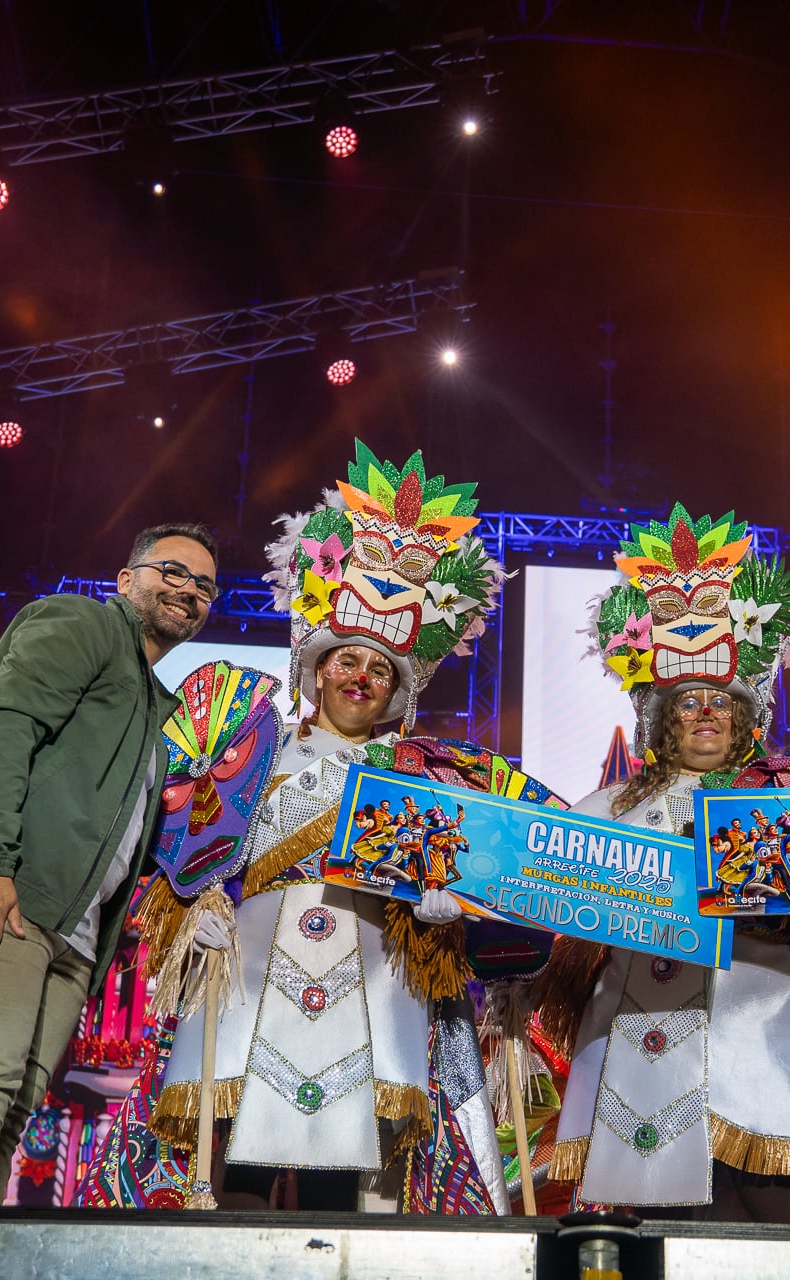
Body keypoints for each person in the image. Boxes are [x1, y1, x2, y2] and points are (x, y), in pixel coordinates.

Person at [90, 443, 513, 1214]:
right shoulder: (252, 747)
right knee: (238, 1150)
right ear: (316, 670)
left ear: (397, 692)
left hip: (374, 974)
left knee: (346, 1162)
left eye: (381, 670)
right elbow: (187, 853)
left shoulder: (430, 777)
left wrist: (441, 916)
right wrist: (197, 911)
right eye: (347, 659)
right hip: (252, 967)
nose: (360, 677)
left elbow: (480, 892)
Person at [534, 503, 790, 1225]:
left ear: (746, 719)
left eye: (721, 703)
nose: (706, 714)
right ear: (659, 718)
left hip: (767, 1038)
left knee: (783, 1238)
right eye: (687, 703)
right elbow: (541, 907)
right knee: (659, 1244)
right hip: (641, 1035)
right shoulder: (602, 808)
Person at [0, 522, 215, 1204]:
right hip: (1, 888)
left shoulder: (148, 703)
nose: (187, 589)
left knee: (15, 1105)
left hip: (70, 925)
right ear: (124, 579)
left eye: (203, 585)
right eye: (171, 570)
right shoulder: (80, 624)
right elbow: (0, 727)